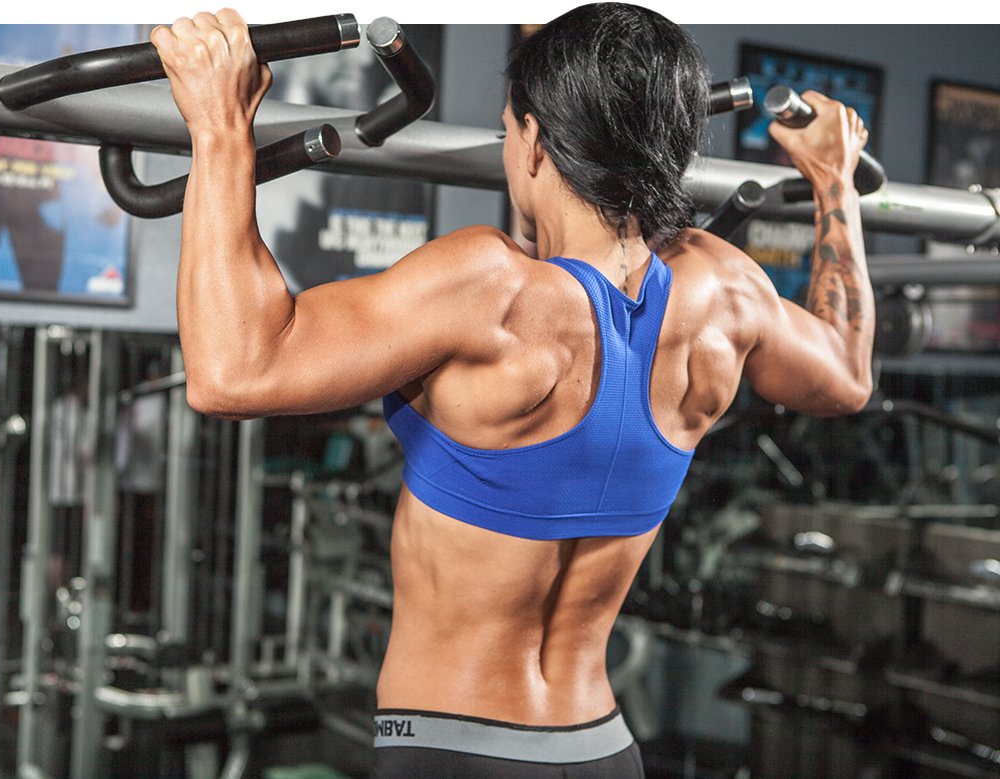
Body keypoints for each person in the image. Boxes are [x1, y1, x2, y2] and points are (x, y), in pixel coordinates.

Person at [151, 4, 874, 776]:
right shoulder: (726, 293)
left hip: (452, 749)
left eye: (506, 132)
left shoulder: (491, 288)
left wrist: (220, 129)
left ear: (532, 143)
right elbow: (847, 372)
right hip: (603, 745)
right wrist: (834, 184)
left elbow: (231, 371)